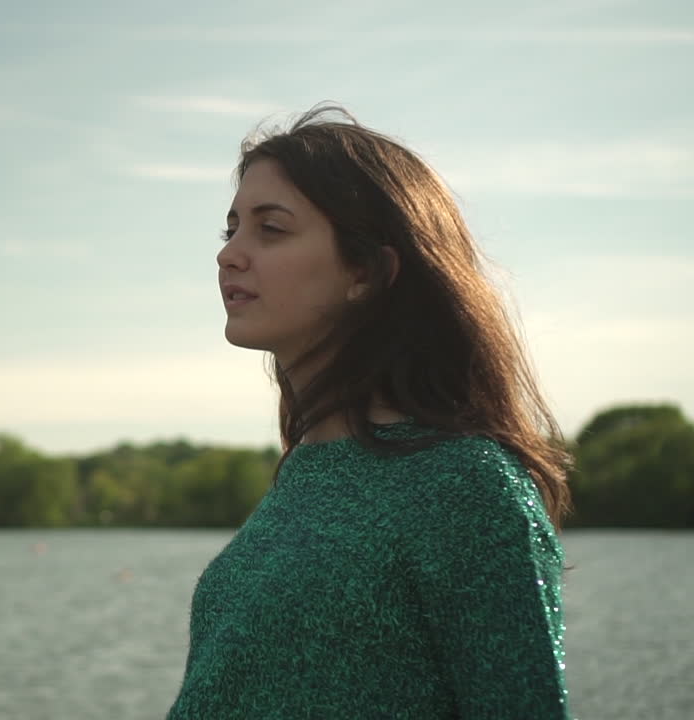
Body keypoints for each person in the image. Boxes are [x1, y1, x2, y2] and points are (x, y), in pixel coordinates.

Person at [165, 104, 574, 719]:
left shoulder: (463, 484)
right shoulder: (307, 472)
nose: (230, 255)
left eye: (270, 229)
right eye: (232, 230)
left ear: (367, 270)